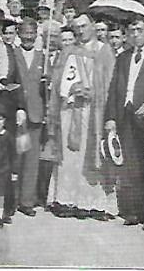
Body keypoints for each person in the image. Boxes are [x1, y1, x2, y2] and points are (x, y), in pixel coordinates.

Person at [46, 12, 117, 220]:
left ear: (93, 26)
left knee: (91, 155)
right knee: (69, 157)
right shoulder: (69, 50)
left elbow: (109, 83)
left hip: (93, 111)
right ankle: (66, 200)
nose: (80, 30)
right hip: (69, 111)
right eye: (77, 27)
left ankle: (91, 203)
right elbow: (59, 81)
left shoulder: (105, 51)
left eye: (84, 26)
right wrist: (70, 89)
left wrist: (93, 92)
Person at [104, 15, 144, 227]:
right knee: (131, 166)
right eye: (132, 31)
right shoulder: (124, 57)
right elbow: (113, 89)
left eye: (139, 29)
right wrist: (111, 117)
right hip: (125, 115)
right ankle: (136, 211)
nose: (136, 34)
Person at [12, 18, 44, 216]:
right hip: (17, 114)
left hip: (36, 114)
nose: (29, 37)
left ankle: (27, 201)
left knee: (32, 160)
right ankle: (11, 200)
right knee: (16, 158)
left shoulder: (44, 56)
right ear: (19, 34)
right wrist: (16, 107)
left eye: (32, 33)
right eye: (25, 33)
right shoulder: (12, 54)